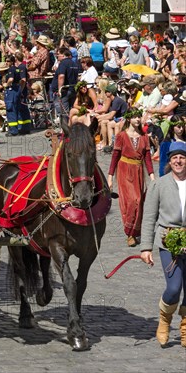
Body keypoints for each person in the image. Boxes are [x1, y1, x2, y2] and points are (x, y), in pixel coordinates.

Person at [140, 141, 186, 348]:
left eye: (182, 157)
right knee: (174, 287)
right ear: (169, 161)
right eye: (175, 157)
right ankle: (165, 319)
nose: (179, 161)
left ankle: (185, 326)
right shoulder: (159, 184)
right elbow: (149, 217)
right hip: (168, 242)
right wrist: (146, 248)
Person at [107, 108, 155, 247]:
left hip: (138, 171)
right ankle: (129, 232)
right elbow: (115, 157)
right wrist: (110, 177)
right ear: (129, 119)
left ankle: (134, 231)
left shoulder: (144, 136)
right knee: (131, 201)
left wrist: (152, 177)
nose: (137, 119)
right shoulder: (122, 136)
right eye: (134, 117)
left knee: (139, 201)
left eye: (139, 117)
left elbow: (148, 159)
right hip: (124, 170)